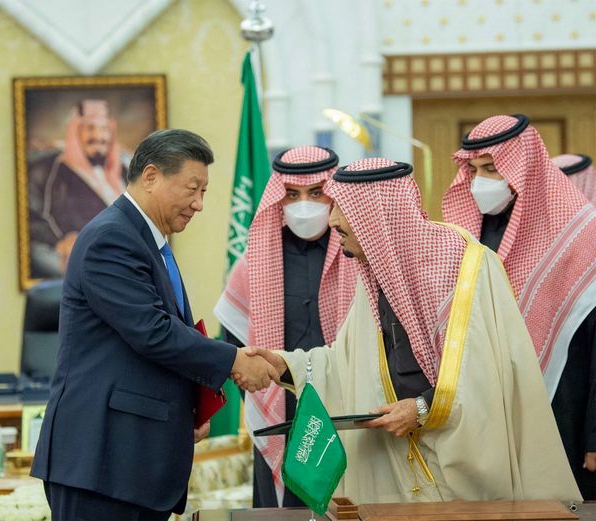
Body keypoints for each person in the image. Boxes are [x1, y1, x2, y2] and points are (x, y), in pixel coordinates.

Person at [241, 157, 580, 504]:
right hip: (395, 459)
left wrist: (422, 409)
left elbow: (482, 376)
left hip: (459, 466)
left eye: (343, 209)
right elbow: (346, 363)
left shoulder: (464, 267)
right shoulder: (376, 273)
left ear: (377, 217)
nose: (333, 222)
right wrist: (282, 365)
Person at [30, 128, 278, 521]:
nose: (198, 204)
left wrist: (184, 412)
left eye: (204, 193)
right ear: (150, 177)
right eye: (191, 189)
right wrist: (234, 360)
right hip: (102, 462)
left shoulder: (148, 240)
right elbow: (153, 332)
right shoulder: (111, 239)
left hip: (130, 461)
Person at [444, 115, 596, 500]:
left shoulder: (581, 235)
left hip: (568, 409)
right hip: (490, 410)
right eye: (474, 169)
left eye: (492, 168)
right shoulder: (466, 236)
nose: (481, 181)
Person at [214, 145, 357, 508]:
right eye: (292, 194)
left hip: (345, 413)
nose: (303, 204)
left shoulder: (356, 254)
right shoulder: (255, 262)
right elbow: (234, 346)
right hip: (281, 417)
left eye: (315, 193)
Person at [27, 99, 129, 277]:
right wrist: (61, 241)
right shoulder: (56, 172)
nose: (98, 136)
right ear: (76, 132)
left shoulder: (123, 170)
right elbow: (36, 219)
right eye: (90, 128)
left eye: (104, 129)